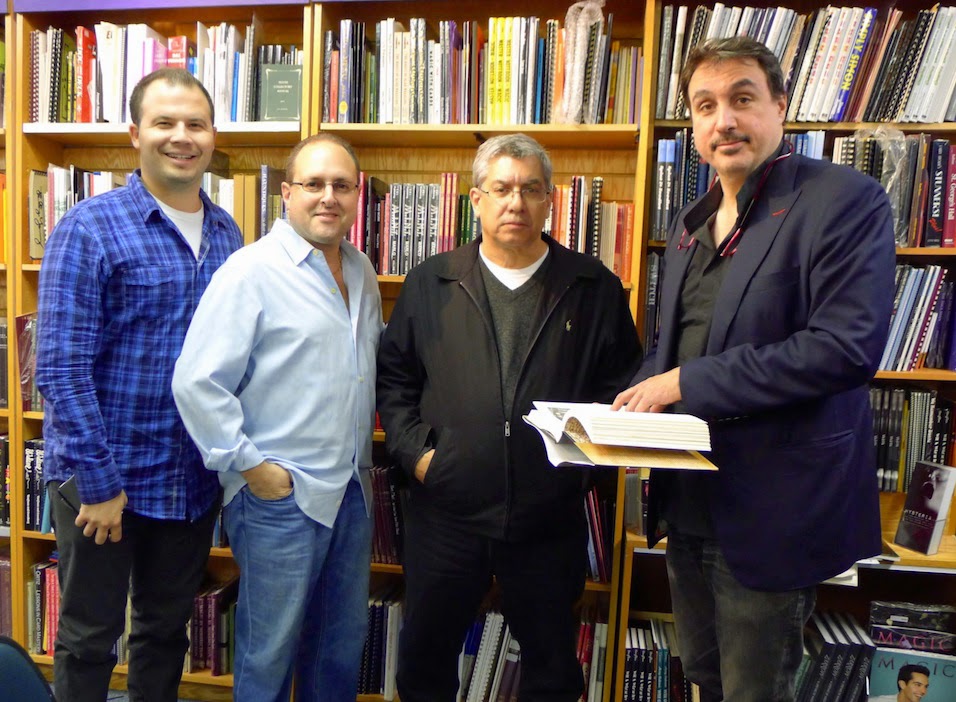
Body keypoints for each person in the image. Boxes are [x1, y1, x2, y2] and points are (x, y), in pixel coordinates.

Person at [612, 37, 896, 702]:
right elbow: (673, 346)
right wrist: (627, 415)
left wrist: (684, 384)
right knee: (705, 678)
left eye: (742, 98)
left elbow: (844, 349)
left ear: (780, 106)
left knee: (755, 692)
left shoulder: (844, 200)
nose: (725, 120)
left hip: (773, 512)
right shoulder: (691, 222)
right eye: (705, 105)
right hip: (687, 503)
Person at [376, 133, 641, 701]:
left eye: (530, 189)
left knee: (551, 670)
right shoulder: (431, 281)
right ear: (476, 199)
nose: (515, 202)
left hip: (548, 519)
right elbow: (395, 379)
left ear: (549, 201)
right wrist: (420, 457)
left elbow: (621, 387)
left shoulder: (592, 285)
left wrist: (580, 470)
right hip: (446, 512)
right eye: (501, 189)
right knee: (424, 664)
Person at [36, 68, 243, 702]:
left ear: (212, 137)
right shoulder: (89, 228)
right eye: (164, 123)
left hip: (189, 481)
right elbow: (60, 368)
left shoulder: (228, 234)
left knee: (164, 634)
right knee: (89, 638)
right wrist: (99, 486)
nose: (182, 136)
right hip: (105, 482)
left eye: (195, 124)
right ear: (135, 134)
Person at [172, 133, 382, 702]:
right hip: (279, 499)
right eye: (314, 184)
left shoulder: (361, 270)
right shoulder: (251, 271)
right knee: (268, 657)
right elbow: (196, 381)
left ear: (357, 195)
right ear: (286, 193)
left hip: (350, 493)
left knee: (337, 650)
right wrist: (251, 467)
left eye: (342, 185)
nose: (328, 197)